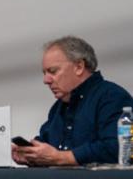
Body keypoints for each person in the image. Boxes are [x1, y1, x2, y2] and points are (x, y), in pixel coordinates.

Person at [12, 36, 133, 166]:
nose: (46, 80)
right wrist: (32, 156)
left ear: (79, 67)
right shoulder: (58, 107)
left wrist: (62, 158)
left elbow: (118, 148)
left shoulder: (112, 96)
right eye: (44, 73)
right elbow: (48, 147)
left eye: (53, 71)